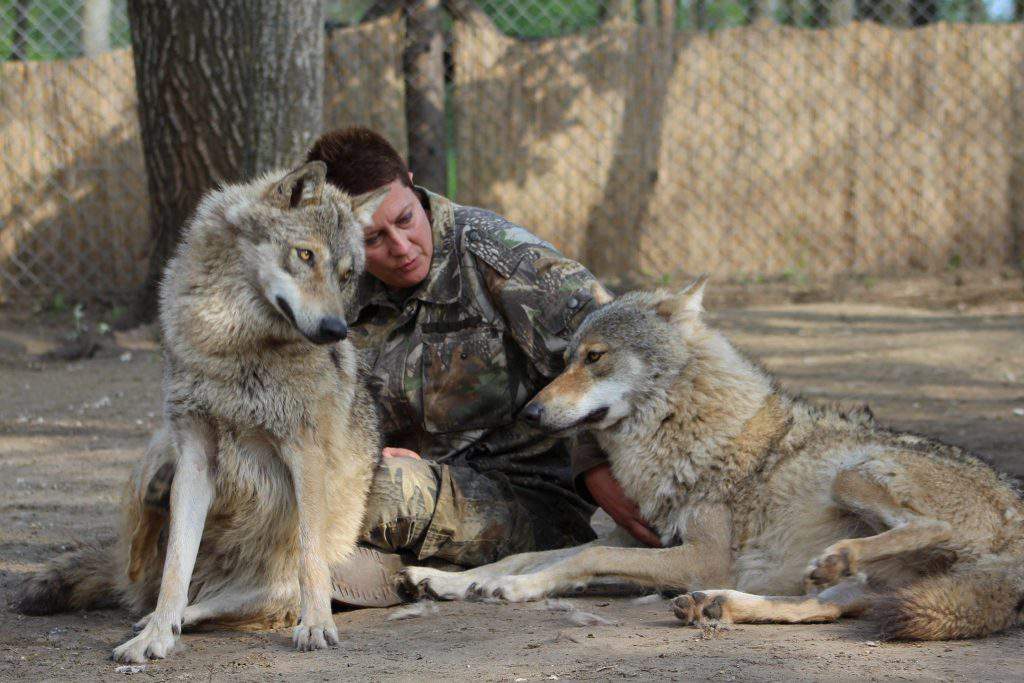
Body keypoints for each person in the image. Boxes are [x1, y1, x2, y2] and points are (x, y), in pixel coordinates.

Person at [306, 128, 660, 606]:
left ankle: (362, 568)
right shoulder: (330, 288)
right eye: (372, 239)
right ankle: (390, 570)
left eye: (406, 220)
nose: (402, 246)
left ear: (412, 185)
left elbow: (616, 355)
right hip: (404, 476)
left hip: (528, 499)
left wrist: (593, 465)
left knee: (382, 490)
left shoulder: (507, 261)